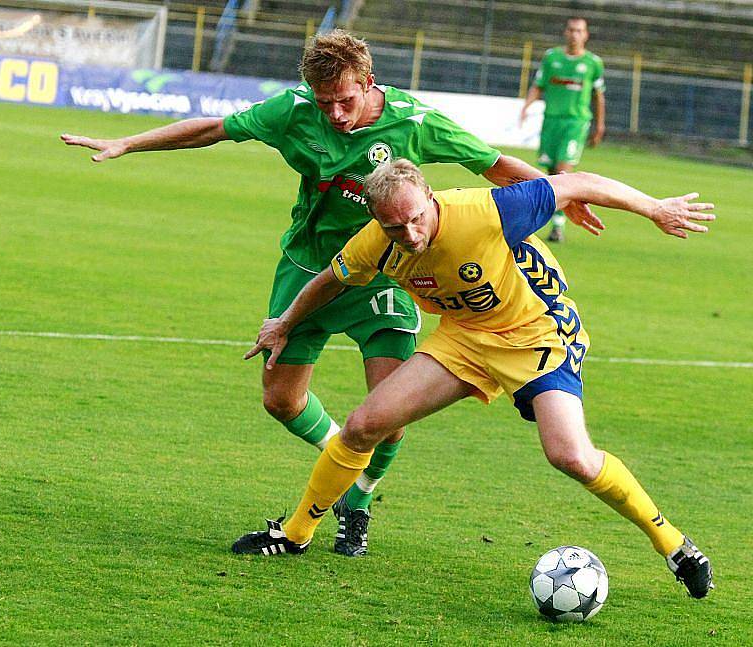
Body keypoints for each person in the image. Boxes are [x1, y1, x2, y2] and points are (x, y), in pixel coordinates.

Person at [62, 30, 603, 558]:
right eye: (326, 104)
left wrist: (561, 197)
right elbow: (215, 129)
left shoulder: (414, 122)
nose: (336, 115)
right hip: (308, 269)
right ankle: (342, 466)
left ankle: (360, 502)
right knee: (281, 400)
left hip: (386, 276)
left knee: (388, 412)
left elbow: (492, 164)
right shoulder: (295, 110)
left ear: (369, 82)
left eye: (345, 101)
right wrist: (130, 142)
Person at [235, 159, 715, 600]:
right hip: (463, 338)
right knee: (364, 425)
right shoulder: (377, 242)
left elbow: (580, 183)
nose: (409, 233)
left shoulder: (486, 211)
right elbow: (330, 279)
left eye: (416, 218)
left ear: (430, 196)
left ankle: (675, 546)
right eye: (394, 226)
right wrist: (284, 324)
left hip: (534, 334)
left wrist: (655, 208)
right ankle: (295, 533)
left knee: (571, 456)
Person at [520, 16, 606, 243]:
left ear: (586, 35)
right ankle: (554, 219)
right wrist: (526, 107)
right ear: (565, 32)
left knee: (562, 173)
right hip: (551, 121)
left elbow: (598, 96)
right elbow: (538, 86)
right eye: (571, 30)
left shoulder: (592, 63)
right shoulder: (552, 58)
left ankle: (558, 226)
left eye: (579, 30)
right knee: (549, 174)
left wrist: (599, 124)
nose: (575, 34)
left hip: (575, 123)